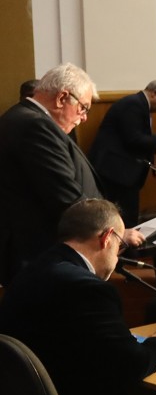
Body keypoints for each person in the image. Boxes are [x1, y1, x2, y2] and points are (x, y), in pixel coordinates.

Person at [0, 199, 156, 395]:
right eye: (120, 246)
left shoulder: (33, 270)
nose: (118, 259)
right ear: (106, 238)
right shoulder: (86, 288)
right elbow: (131, 364)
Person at [0, 63, 103, 284]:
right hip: (38, 253)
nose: (84, 117)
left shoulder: (28, 119)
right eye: (83, 107)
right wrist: (107, 230)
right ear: (61, 98)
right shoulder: (35, 125)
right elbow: (64, 195)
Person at [88, 80, 156, 226]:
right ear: (154, 93)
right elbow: (133, 139)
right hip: (115, 173)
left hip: (122, 173)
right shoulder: (133, 104)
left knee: (126, 219)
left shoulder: (139, 105)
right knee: (122, 221)